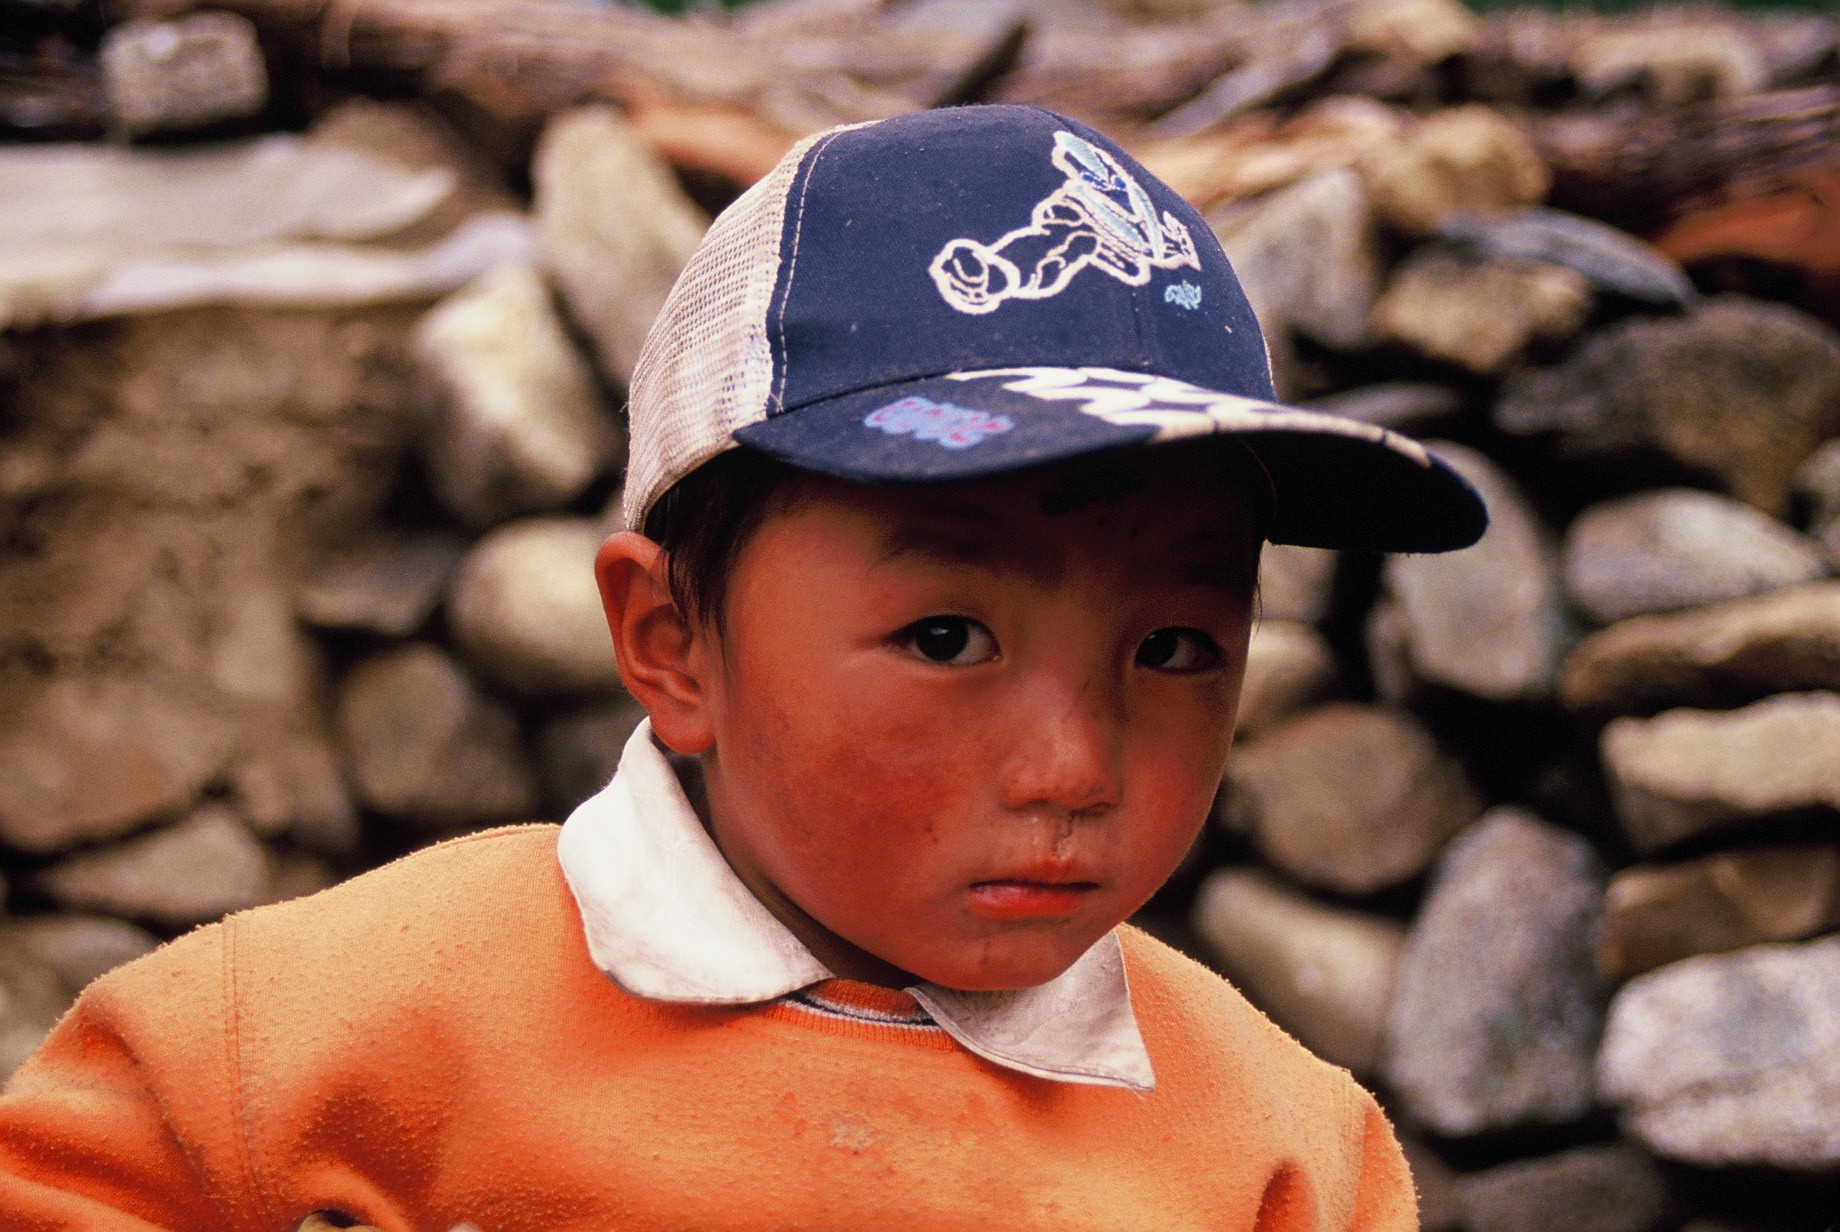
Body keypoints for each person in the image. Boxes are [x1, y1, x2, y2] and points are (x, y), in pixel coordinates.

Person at [0, 105, 1485, 1231]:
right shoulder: (306, 1040)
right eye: (947, 637)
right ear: (671, 644)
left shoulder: (1286, 1153)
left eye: (1173, 649)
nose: (1077, 765)